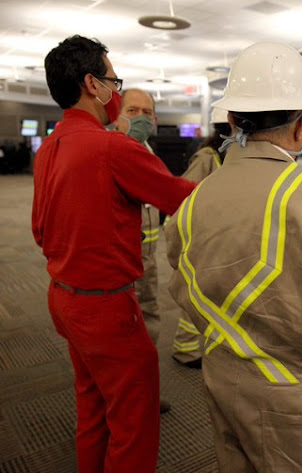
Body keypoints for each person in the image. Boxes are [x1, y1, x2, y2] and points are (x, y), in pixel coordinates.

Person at [165, 42, 302, 473]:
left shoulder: (194, 200)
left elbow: (183, 283)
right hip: (300, 396)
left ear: (230, 121)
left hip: (223, 377)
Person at [31, 35, 196, 473]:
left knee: (93, 410)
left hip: (64, 297)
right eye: (112, 80)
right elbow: (186, 199)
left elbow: (38, 229)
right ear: (92, 84)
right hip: (106, 309)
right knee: (134, 423)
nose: (116, 93)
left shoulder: (48, 147)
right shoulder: (112, 148)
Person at [114, 88, 170, 412]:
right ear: (117, 116)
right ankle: (125, 402)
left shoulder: (149, 155)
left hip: (147, 260)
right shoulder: (109, 152)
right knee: (121, 338)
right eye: (132, 111)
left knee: (149, 325)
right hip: (119, 266)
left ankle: (144, 394)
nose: (141, 118)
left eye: (147, 113)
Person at [171, 110, 230, 369]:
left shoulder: (228, 156)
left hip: (218, 236)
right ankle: (186, 349)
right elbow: (184, 195)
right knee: (197, 293)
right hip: (200, 237)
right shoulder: (207, 156)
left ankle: (201, 345)